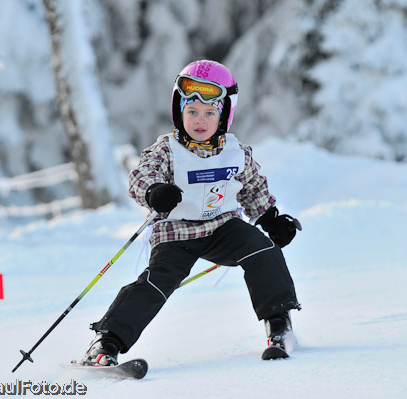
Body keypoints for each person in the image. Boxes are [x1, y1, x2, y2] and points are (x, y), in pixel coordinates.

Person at [81, 60, 302, 366]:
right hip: (177, 232)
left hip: (223, 227)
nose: (200, 120)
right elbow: (140, 177)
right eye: (192, 112)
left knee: (262, 248)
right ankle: (107, 341)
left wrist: (269, 218)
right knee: (158, 282)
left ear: (224, 115)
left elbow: (252, 186)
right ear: (179, 112)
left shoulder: (236, 152)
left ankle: (278, 324)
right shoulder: (167, 150)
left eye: (210, 113)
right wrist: (154, 192)